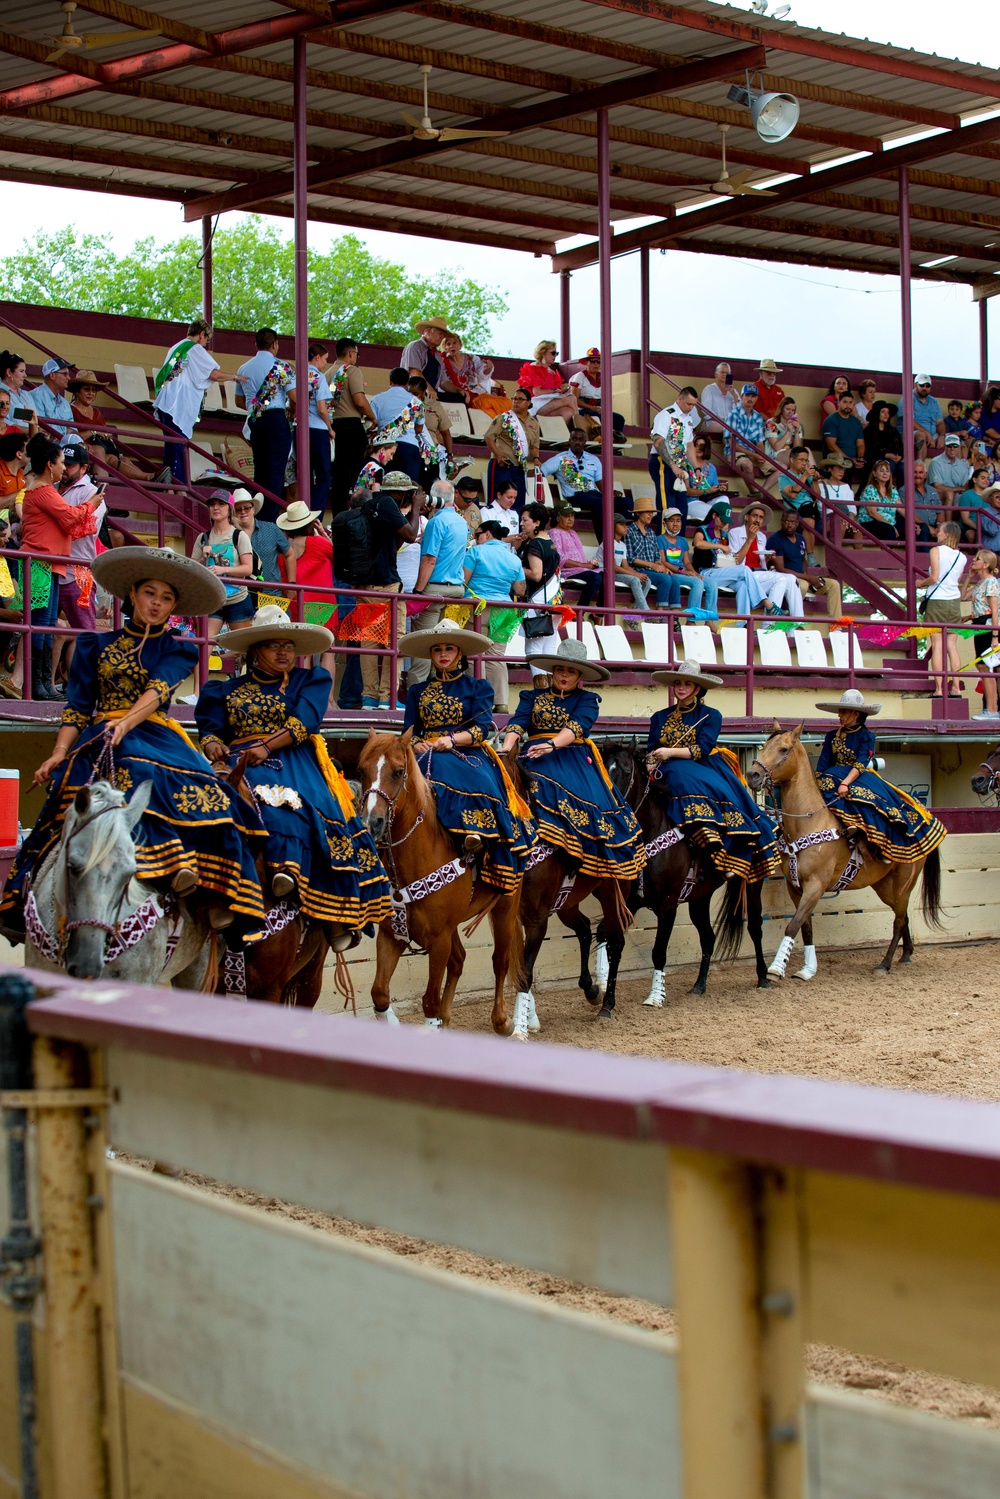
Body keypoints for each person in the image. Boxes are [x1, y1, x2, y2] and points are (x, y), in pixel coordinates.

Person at [0, 547, 267, 945]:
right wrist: (58, 752)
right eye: (150, 594)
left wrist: (123, 724)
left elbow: (158, 693)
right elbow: (77, 707)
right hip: (99, 733)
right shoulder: (93, 645)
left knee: (213, 796)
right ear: (133, 594)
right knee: (59, 803)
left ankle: (206, 885)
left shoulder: (178, 648)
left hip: (153, 732)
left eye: (166, 598)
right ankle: (26, 901)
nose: (157, 604)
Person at [196, 604, 391, 937]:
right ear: (255, 650)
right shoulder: (223, 689)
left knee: (296, 805)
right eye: (274, 645)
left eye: (288, 646)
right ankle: (218, 889)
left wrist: (267, 746)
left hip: (293, 756)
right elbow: (211, 729)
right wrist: (212, 744)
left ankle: (331, 910)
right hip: (239, 759)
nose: (284, 652)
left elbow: (306, 722)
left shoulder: (309, 680)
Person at [403, 620, 535, 885]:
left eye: (449, 649)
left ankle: (478, 837)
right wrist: (416, 743)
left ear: (460, 653)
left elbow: (481, 729)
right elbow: (410, 730)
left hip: (465, 750)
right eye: (438, 649)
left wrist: (451, 740)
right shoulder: (417, 690)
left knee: (482, 782)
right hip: (424, 752)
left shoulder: (478, 687)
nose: (443, 654)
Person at [501, 638, 642, 885]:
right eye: (560, 669)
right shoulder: (531, 696)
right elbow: (517, 723)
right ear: (553, 670)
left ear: (580, 675)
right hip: (533, 752)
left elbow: (576, 727)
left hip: (571, 755)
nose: (564, 675)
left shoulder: (587, 700)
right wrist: (505, 748)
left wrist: (552, 744)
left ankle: (577, 855)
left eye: (571, 671)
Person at [645, 660, 779, 882]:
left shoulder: (711, 715)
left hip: (700, 763)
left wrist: (669, 752)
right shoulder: (659, 717)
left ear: (698, 688)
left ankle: (716, 844)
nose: (681, 688)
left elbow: (702, 749)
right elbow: (651, 747)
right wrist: (650, 761)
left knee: (681, 777)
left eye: (687, 684)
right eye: (678, 683)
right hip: (663, 765)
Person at [813, 689, 946, 861]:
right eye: (840, 711)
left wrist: (845, 783)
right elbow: (823, 765)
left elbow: (861, 763)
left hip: (857, 777)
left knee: (876, 803)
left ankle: (878, 844)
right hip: (831, 777)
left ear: (856, 714)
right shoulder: (831, 736)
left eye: (844, 711)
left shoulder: (866, 736)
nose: (840, 715)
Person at [20, 436, 103, 700]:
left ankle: (42, 683)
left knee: (45, 626)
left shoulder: (48, 490)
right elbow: (69, 518)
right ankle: (36, 684)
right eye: (60, 462)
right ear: (49, 465)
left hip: (51, 562)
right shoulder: (45, 491)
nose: (63, 467)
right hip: (42, 562)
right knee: (41, 625)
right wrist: (91, 505)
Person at [330, 481, 423, 710]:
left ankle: (369, 697)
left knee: (369, 644)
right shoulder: (387, 505)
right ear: (402, 494)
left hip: (363, 587)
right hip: (387, 588)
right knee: (396, 643)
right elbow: (411, 536)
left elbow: (395, 542)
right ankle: (387, 697)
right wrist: (417, 508)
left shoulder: (365, 514)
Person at [409, 479, 471, 687]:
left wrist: (418, 591)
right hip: (456, 590)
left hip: (434, 588)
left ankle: (415, 698)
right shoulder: (462, 522)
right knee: (446, 648)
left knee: (423, 649)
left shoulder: (436, 522)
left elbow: (430, 559)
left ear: (432, 498)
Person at [153, 317, 230, 483]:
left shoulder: (176, 347)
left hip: (167, 402)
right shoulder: (194, 348)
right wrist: (236, 377)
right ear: (201, 335)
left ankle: (171, 486)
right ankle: (177, 487)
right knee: (177, 448)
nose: (204, 345)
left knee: (171, 447)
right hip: (178, 406)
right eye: (206, 341)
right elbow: (213, 373)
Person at [463, 520, 526, 711]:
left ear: (488, 534)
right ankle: (501, 703)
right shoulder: (513, 559)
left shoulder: (475, 552)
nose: (475, 539)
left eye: (477, 535)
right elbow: (520, 590)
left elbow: (463, 580)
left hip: (478, 607)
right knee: (496, 656)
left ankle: (480, 702)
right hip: (505, 610)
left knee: (475, 654)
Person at [235, 328, 296, 516]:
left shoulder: (243, 368)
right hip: (276, 419)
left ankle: (258, 515)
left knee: (260, 471)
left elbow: (238, 401)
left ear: (256, 344)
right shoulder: (282, 366)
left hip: (256, 420)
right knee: (276, 471)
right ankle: (269, 517)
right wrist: (291, 412)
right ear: (275, 344)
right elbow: (294, 397)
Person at [767, 508, 842, 628]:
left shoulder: (801, 539)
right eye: (786, 521)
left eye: (792, 522)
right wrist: (808, 578)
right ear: (781, 522)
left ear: (797, 523)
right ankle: (793, 623)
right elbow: (780, 568)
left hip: (803, 577)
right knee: (802, 585)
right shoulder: (775, 540)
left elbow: (802, 559)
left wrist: (808, 576)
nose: (789, 524)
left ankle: (836, 628)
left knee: (834, 585)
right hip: (787, 579)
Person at [195, 490, 255, 638]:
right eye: (212, 504)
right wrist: (202, 558)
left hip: (237, 599)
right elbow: (192, 568)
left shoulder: (239, 535)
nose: (215, 508)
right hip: (213, 599)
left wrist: (222, 569)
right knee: (204, 645)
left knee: (246, 647)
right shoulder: (203, 538)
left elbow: (248, 569)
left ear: (230, 509)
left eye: (221, 504)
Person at [728, 501, 802, 617]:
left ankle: (798, 623)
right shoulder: (735, 533)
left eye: (761, 517)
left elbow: (761, 563)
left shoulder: (762, 536)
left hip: (760, 575)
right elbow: (735, 561)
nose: (758, 520)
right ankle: (768, 625)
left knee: (792, 579)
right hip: (745, 576)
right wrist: (750, 540)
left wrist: (768, 559)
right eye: (755, 516)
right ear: (747, 517)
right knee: (780, 580)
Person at [328, 338, 377, 515]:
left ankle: (338, 519)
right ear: (351, 353)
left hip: (333, 428)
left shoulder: (327, 373)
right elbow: (360, 400)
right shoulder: (352, 370)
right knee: (359, 476)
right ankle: (358, 517)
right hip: (352, 427)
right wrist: (373, 417)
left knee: (339, 479)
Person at [919, 520, 968, 698]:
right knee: (952, 646)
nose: (937, 533)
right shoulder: (962, 557)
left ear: (946, 534)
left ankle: (939, 688)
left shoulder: (936, 550)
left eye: (939, 531)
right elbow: (958, 579)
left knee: (937, 645)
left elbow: (934, 577)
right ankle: (956, 687)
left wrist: (920, 583)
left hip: (937, 601)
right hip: (953, 601)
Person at [516, 502, 561, 684]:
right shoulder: (550, 543)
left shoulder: (534, 544)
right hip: (554, 601)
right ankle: (552, 691)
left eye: (525, 520)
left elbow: (535, 574)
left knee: (534, 648)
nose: (521, 523)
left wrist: (516, 566)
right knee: (549, 648)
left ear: (536, 522)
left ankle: (541, 689)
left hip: (537, 602)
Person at [691, 503, 763, 617]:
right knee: (744, 569)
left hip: (721, 573)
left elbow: (734, 560)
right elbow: (698, 543)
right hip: (704, 573)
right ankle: (764, 602)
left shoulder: (724, 535)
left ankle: (743, 624)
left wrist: (743, 547)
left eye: (726, 521)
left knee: (743, 585)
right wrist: (720, 546)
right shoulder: (702, 529)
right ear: (714, 515)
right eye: (722, 520)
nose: (724, 524)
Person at [649, 387, 701, 527]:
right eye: (689, 404)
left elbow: (689, 445)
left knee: (681, 507)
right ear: (680, 399)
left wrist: (696, 468)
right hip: (663, 463)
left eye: (693, 405)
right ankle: (665, 543)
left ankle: (678, 543)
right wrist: (673, 466)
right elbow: (658, 441)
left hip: (680, 465)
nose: (691, 408)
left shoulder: (688, 419)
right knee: (668, 506)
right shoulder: (666, 415)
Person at [581, 513, 651, 612]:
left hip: (617, 573)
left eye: (625, 524)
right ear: (613, 526)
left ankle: (635, 613)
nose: (625, 527)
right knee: (635, 580)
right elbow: (613, 567)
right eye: (621, 524)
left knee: (647, 581)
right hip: (606, 573)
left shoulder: (622, 544)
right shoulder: (608, 543)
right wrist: (636, 576)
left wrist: (639, 574)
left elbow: (625, 566)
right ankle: (646, 612)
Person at [484, 387, 539, 509]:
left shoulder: (534, 423)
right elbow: (489, 437)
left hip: (519, 466)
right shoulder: (504, 418)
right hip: (502, 464)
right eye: (514, 398)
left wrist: (536, 458)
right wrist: (498, 455)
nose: (516, 402)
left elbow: (534, 445)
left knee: (518, 503)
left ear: (528, 402)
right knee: (499, 500)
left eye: (520, 399)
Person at [369, 367, 426, 483]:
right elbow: (419, 429)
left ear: (390, 382)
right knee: (409, 485)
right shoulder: (417, 402)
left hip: (385, 446)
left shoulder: (377, 399)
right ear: (407, 383)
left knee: (384, 485)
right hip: (409, 447)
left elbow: (372, 423)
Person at [299, 340, 335, 515]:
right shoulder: (318, 377)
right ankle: (316, 515)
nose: (326, 363)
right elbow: (322, 408)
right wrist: (329, 427)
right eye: (325, 359)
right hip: (317, 429)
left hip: (299, 428)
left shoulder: (296, 375)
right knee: (323, 475)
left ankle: (302, 512)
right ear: (317, 357)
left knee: (304, 472)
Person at [964, 548, 1000, 720]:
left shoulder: (991, 582)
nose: (973, 560)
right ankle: (992, 709)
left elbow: (994, 611)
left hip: (988, 625)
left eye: (977, 558)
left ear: (986, 564)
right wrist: (969, 577)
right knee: (983, 666)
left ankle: (992, 710)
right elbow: (963, 596)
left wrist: (995, 635)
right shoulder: (979, 583)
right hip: (978, 624)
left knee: (987, 667)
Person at [232, 487, 292, 586]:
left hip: (271, 592)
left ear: (253, 509)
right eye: (238, 509)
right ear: (233, 513)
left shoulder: (271, 529)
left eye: (246, 508)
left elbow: (290, 554)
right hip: (242, 593)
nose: (243, 512)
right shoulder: (230, 534)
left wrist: (292, 584)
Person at [540, 427, 602, 522]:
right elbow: (540, 472)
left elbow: (600, 482)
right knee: (601, 502)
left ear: (585, 442)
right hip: (576, 495)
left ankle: (623, 536)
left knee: (625, 503)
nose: (577, 442)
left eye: (580, 439)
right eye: (574, 439)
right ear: (570, 441)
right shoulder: (560, 458)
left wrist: (611, 494)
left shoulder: (593, 459)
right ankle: (604, 537)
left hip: (593, 494)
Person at [625, 496, 676, 607]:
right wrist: (653, 565)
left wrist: (662, 567)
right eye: (648, 512)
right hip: (637, 570)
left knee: (672, 577)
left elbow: (657, 558)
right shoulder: (629, 531)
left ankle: (673, 614)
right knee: (665, 579)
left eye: (652, 512)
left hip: (654, 569)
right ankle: (659, 612)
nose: (651, 515)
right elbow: (630, 558)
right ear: (638, 513)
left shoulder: (651, 532)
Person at [568, 349, 625, 440]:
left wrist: (603, 409)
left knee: (619, 418)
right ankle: (601, 439)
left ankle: (616, 440)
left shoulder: (603, 377)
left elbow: (606, 398)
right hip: (583, 409)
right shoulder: (579, 377)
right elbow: (574, 399)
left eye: (598, 362)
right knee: (597, 415)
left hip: (599, 408)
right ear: (587, 363)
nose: (596, 364)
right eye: (593, 361)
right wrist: (592, 408)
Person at [657, 507, 706, 610]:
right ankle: (692, 619)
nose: (675, 524)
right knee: (697, 583)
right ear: (664, 523)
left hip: (683, 573)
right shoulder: (659, 539)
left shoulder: (683, 541)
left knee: (710, 583)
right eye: (671, 520)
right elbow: (663, 562)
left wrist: (695, 573)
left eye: (678, 521)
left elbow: (687, 562)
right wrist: (683, 572)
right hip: (672, 574)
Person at [517, 341, 578, 422]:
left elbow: (553, 391)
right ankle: (580, 425)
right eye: (553, 353)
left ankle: (559, 433)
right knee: (571, 398)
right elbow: (537, 392)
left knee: (568, 412)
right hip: (535, 405)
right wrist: (554, 390)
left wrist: (559, 392)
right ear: (543, 353)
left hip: (547, 403)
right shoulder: (535, 367)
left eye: (557, 353)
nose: (555, 355)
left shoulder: (551, 371)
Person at [724, 383, 767, 488]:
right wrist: (754, 455)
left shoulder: (758, 417)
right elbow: (732, 443)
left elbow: (760, 442)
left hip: (752, 454)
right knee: (747, 464)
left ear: (756, 398)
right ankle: (755, 494)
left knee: (781, 468)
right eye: (747, 395)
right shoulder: (733, 415)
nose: (750, 399)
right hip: (734, 453)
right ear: (742, 396)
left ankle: (763, 491)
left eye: (753, 396)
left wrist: (761, 455)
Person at [23, 357, 77, 438]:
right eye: (65, 374)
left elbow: (72, 429)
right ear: (52, 375)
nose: (68, 378)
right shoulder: (35, 396)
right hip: (46, 445)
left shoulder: (65, 402)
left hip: (63, 445)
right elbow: (40, 428)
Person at [401, 316, 452, 397]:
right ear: (428, 332)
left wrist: (458, 390)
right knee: (413, 410)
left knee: (458, 398)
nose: (442, 337)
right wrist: (428, 389)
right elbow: (414, 372)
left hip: (430, 395)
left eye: (443, 335)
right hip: (413, 393)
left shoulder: (437, 355)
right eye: (440, 333)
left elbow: (443, 382)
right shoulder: (415, 347)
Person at [685, 434, 728, 527]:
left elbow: (714, 490)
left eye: (702, 446)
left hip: (708, 500)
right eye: (696, 445)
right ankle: (718, 533)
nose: (698, 448)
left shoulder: (712, 468)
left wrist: (719, 488)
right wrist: (706, 491)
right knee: (715, 513)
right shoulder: (687, 465)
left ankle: (720, 531)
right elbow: (686, 491)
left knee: (724, 499)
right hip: (692, 502)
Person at [859, 399, 902, 488]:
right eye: (883, 412)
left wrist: (900, 456)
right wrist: (885, 455)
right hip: (873, 461)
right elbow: (868, 450)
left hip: (892, 460)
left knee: (904, 468)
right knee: (889, 465)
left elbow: (900, 447)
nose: (886, 415)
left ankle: (902, 494)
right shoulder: (868, 431)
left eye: (888, 412)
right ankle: (885, 490)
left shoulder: (893, 431)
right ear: (877, 413)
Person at [821, 390, 865, 477]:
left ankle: (860, 491)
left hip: (853, 460)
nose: (848, 405)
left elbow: (860, 444)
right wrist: (849, 459)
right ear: (838, 403)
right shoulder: (831, 420)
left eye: (850, 402)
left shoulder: (856, 422)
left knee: (873, 469)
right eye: (845, 402)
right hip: (836, 459)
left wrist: (860, 459)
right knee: (845, 468)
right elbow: (831, 445)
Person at [927, 435, 973, 515]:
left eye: (955, 446)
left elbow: (965, 487)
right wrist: (961, 488)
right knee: (949, 494)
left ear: (959, 447)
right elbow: (938, 487)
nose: (952, 449)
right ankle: (948, 524)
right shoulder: (936, 462)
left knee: (971, 496)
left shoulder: (962, 464)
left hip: (956, 496)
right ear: (944, 446)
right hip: (935, 496)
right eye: (949, 446)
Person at [857, 460, 901, 541]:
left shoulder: (892, 490)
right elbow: (872, 513)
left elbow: (902, 509)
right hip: (870, 522)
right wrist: (890, 526)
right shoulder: (870, 489)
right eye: (881, 471)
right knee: (889, 530)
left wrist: (913, 523)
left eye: (887, 471)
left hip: (889, 524)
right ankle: (887, 553)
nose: (885, 473)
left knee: (915, 529)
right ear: (874, 473)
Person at [67, 370, 109, 437]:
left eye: (94, 390)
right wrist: (93, 432)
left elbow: (106, 433)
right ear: (76, 391)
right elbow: (70, 437)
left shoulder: (96, 412)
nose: (91, 393)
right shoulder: (69, 410)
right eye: (87, 389)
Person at [699, 362, 735, 439]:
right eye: (722, 372)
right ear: (716, 374)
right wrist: (721, 420)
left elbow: (739, 410)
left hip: (729, 424)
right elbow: (706, 410)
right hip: (712, 423)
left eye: (727, 373)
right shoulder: (709, 389)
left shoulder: (733, 391)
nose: (725, 374)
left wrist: (734, 395)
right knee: (729, 429)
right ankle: (729, 451)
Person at [912, 375, 944, 459]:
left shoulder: (934, 401)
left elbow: (940, 422)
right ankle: (920, 466)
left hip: (933, 435)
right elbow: (909, 422)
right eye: (922, 385)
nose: (924, 388)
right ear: (915, 385)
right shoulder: (908, 399)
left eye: (927, 386)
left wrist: (941, 436)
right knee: (921, 435)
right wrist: (927, 434)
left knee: (954, 440)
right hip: (912, 434)